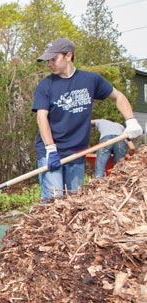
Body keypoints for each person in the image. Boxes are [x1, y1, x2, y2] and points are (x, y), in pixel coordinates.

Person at [32, 37, 143, 202]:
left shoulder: (90, 80)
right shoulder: (46, 86)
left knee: (74, 202)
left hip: (77, 152)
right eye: (47, 60)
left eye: (53, 59)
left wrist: (131, 120)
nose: (49, 63)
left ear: (68, 56)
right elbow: (42, 117)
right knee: (53, 203)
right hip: (52, 152)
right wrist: (50, 149)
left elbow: (118, 96)